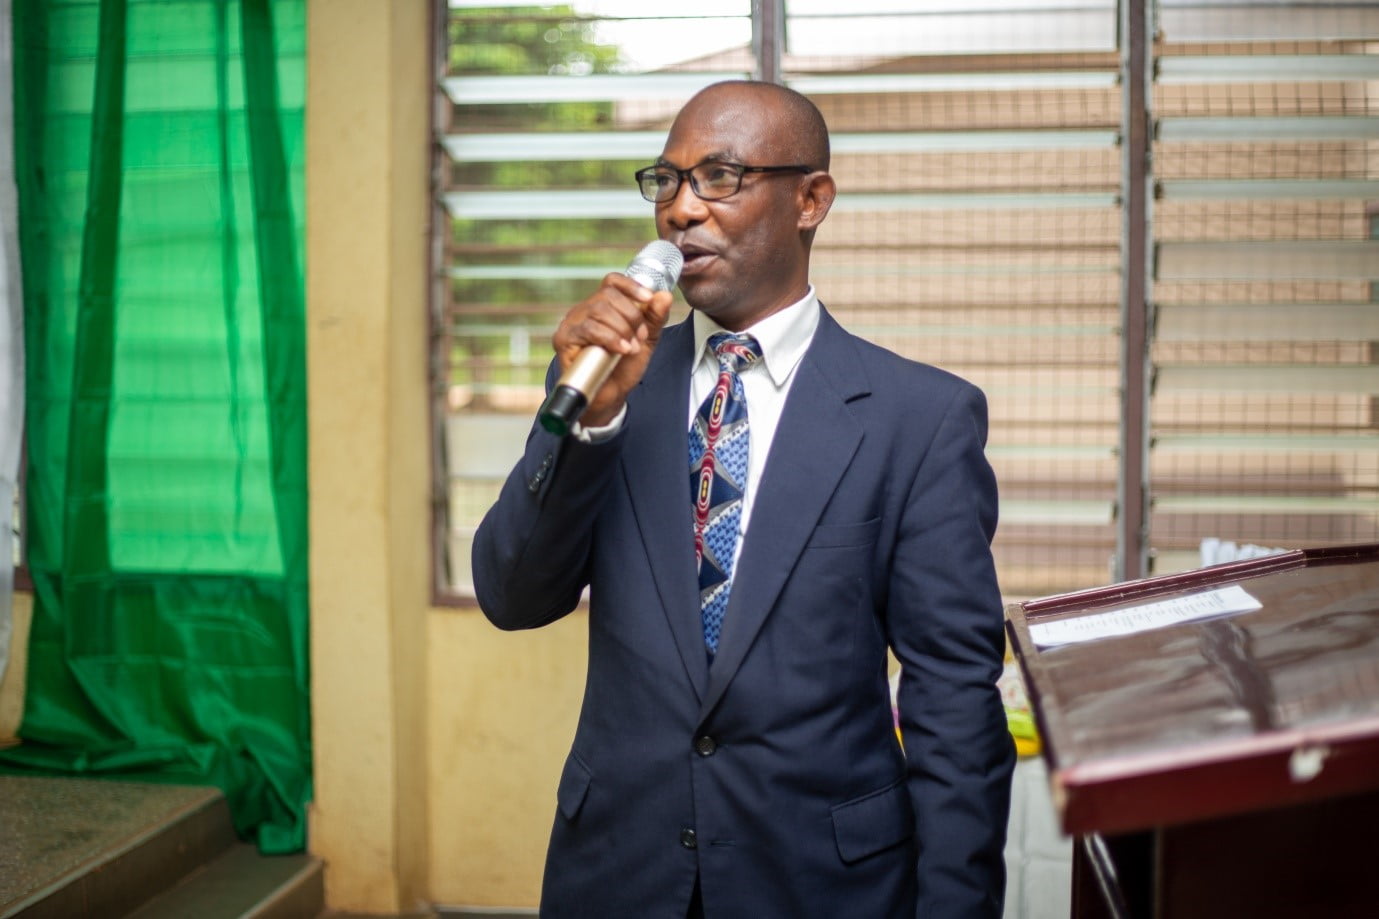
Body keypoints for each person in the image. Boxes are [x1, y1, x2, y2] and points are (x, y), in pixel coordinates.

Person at [473, 80, 1014, 919]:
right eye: (667, 180)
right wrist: (589, 423)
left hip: (823, 885)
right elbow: (513, 596)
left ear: (810, 199)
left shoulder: (918, 419)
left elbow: (953, 700)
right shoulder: (607, 386)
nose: (680, 209)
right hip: (618, 873)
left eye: (719, 177)